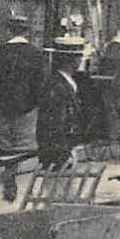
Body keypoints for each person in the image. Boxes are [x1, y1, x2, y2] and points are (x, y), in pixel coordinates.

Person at [0, 11, 46, 200]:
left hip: (1, 108)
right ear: (26, 32)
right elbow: (41, 83)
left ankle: (6, 177)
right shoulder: (36, 54)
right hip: (27, 108)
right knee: (22, 147)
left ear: (8, 31)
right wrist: (34, 103)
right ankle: (17, 180)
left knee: (3, 144)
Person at [36, 35, 88, 169]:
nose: (81, 60)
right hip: (58, 156)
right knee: (57, 187)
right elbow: (56, 123)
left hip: (63, 151)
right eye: (79, 57)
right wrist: (64, 154)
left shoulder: (61, 83)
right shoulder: (58, 87)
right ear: (72, 60)